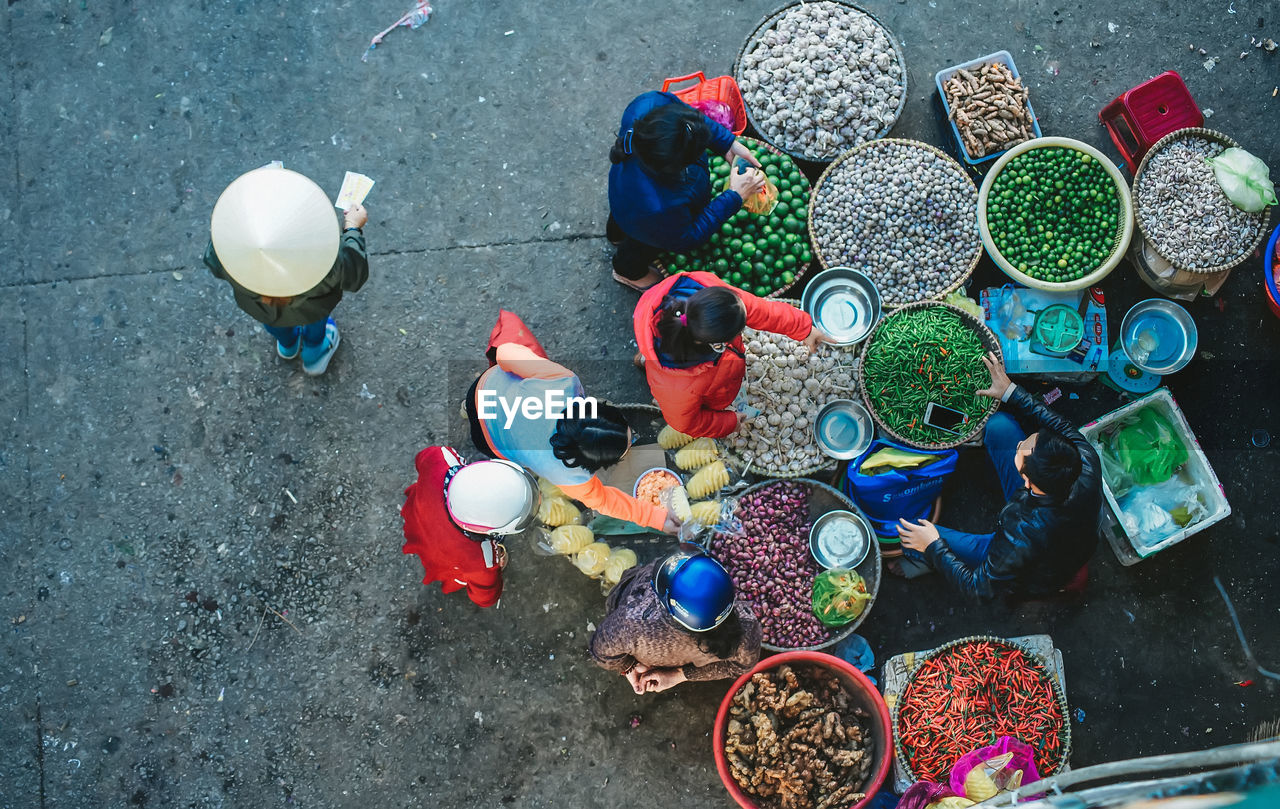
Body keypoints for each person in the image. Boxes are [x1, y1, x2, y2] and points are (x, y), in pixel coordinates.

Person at [896, 353, 1102, 601]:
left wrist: (933, 546)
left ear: (1028, 482)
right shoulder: (1085, 458)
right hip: (1069, 529)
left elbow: (979, 588)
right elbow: (1063, 427)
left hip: (1035, 559)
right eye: (1030, 440)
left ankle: (923, 559)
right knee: (1000, 425)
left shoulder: (1022, 533)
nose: (1018, 446)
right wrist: (1010, 391)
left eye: (1020, 451)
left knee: (912, 532)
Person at [465, 311, 679, 533]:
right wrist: (657, 519)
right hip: (491, 439)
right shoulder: (572, 476)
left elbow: (505, 353)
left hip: (485, 389)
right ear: (592, 465)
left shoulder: (561, 382)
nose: (633, 435)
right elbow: (605, 501)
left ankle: (466, 408)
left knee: (473, 407)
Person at [204, 166, 369, 376]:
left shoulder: (226, 252)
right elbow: (354, 277)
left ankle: (288, 345)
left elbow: (213, 262)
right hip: (313, 309)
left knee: (275, 325)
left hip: (261, 310)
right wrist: (352, 229)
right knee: (316, 325)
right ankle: (314, 354)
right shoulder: (328, 263)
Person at [634, 271, 832, 437]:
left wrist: (803, 328)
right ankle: (647, 362)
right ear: (716, 342)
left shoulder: (705, 290)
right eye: (739, 331)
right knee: (661, 380)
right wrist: (729, 422)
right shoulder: (681, 386)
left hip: (696, 353)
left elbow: (755, 309)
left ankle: (645, 358)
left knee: (653, 359)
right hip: (692, 388)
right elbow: (685, 423)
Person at [607, 91, 767, 291]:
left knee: (621, 216)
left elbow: (688, 118)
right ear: (678, 167)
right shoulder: (659, 206)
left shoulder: (648, 105)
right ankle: (627, 271)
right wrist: (733, 197)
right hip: (641, 219)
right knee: (640, 244)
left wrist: (727, 143)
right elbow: (686, 238)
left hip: (622, 190)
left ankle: (615, 234)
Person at [589, 546, 761, 692]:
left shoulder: (634, 620)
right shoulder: (747, 624)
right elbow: (741, 667)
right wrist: (679, 675)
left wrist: (629, 667)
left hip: (644, 651)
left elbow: (600, 651)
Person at [400, 447, 540, 608]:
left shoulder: (442, 457)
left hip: (418, 514)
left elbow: (421, 458)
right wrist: (497, 560)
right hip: (445, 556)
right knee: (448, 566)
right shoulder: (480, 559)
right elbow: (485, 598)